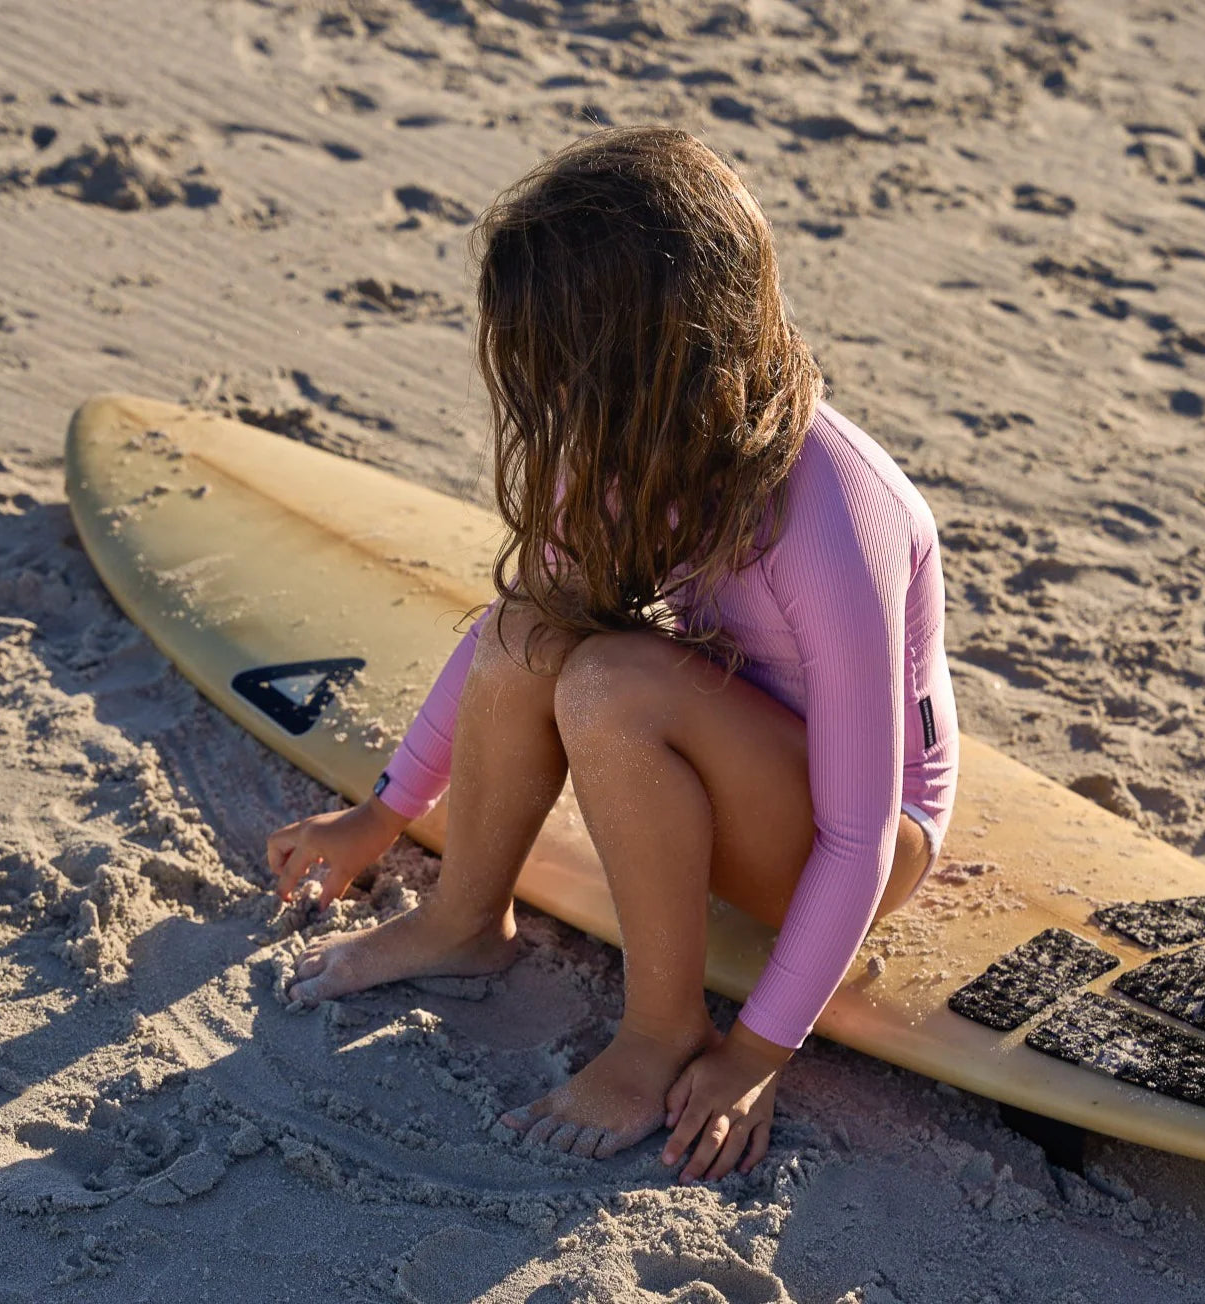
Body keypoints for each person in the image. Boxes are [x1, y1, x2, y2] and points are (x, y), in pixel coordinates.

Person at [266, 126, 958, 1184]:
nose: (545, 399)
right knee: (529, 629)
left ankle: (659, 1028)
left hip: (857, 833)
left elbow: (861, 833)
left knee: (610, 684)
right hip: (738, 748)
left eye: (561, 366)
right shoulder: (621, 445)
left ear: (654, 356)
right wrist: (385, 809)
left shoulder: (832, 516)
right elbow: (510, 639)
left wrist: (755, 1050)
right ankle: (465, 917)